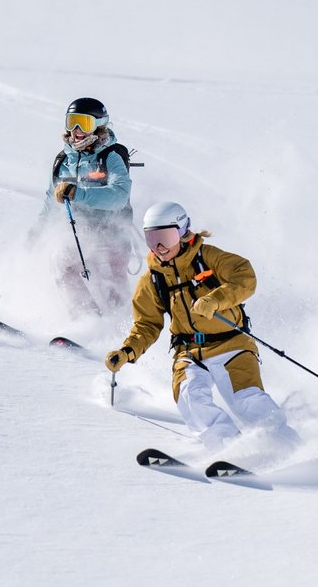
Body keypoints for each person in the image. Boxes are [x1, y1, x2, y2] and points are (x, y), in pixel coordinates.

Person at [105, 202, 298, 452]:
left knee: (248, 401)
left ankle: (288, 448)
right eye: (152, 239)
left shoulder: (207, 258)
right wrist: (128, 351)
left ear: (183, 232)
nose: (159, 247)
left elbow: (245, 276)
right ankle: (230, 450)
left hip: (232, 345)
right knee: (190, 398)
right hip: (189, 352)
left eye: (166, 237)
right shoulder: (152, 279)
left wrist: (216, 299)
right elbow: (146, 324)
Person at [37, 98, 134, 316]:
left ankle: (124, 328)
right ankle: (87, 318)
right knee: (62, 264)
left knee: (110, 281)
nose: (76, 130)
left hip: (112, 234)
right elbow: (49, 200)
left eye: (84, 123)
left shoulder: (111, 155)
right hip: (80, 233)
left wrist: (78, 193)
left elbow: (119, 195)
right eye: (72, 122)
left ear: (99, 125)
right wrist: (36, 232)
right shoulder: (64, 160)